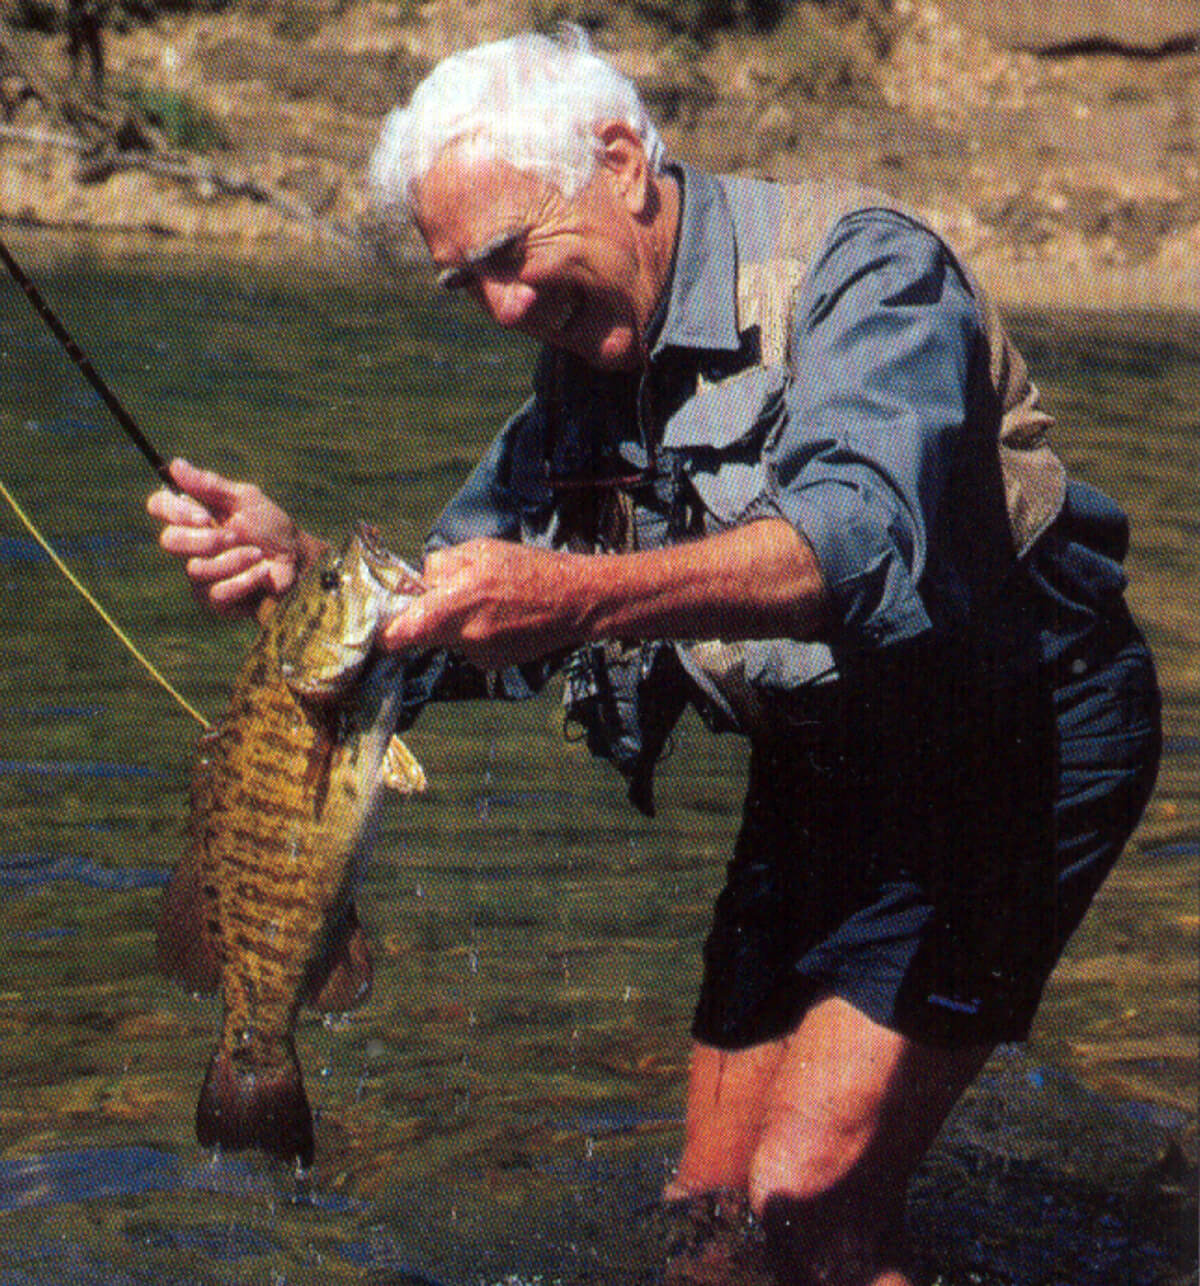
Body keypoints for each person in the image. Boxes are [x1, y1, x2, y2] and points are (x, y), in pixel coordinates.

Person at [147, 30, 1162, 1286]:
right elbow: (463, 611)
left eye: (513, 256)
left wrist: (581, 595)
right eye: (467, 284)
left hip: (1015, 733)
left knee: (809, 1203)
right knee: (708, 1215)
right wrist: (307, 578)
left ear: (622, 162)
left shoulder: (864, 272)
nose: (508, 308)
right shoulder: (578, 379)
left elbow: (859, 545)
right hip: (827, 759)